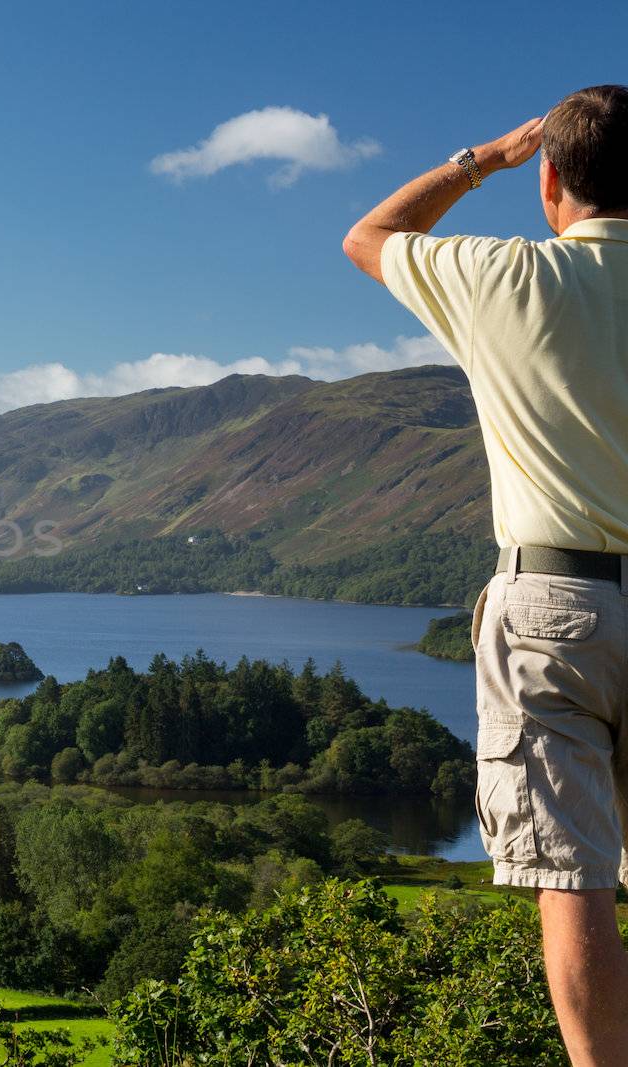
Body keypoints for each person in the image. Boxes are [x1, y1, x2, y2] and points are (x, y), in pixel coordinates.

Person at [344, 85, 628, 1066]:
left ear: (551, 179)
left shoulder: (502, 278)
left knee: (573, 876)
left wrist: (485, 160)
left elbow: (370, 234)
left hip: (553, 603)